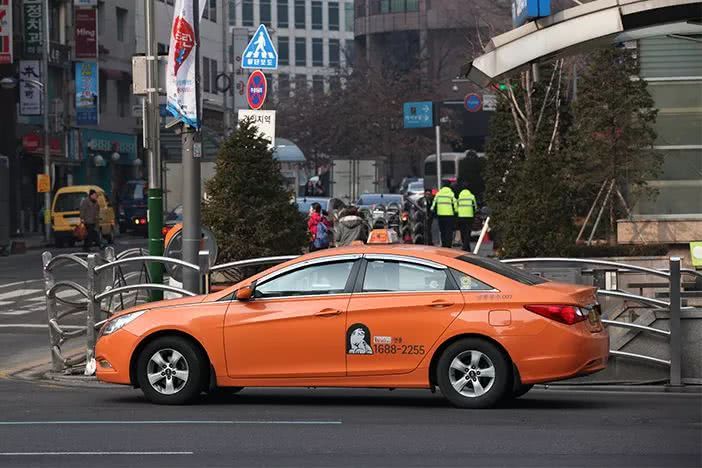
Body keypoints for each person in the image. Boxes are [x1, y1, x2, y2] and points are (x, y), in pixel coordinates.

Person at [431, 182, 457, 248]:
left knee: (442, 231)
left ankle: (444, 244)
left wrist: (432, 209)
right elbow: (455, 203)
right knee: (449, 231)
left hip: (441, 215)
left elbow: (434, 202)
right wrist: (456, 211)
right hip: (449, 215)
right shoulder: (451, 193)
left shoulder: (439, 193)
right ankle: (448, 245)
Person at [456, 184, 477, 252]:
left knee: (462, 232)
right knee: (468, 232)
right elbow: (475, 207)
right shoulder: (471, 196)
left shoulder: (459, 196)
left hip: (461, 216)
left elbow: (457, 206)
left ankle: (466, 247)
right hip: (469, 216)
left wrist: (457, 212)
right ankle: (465, 247)